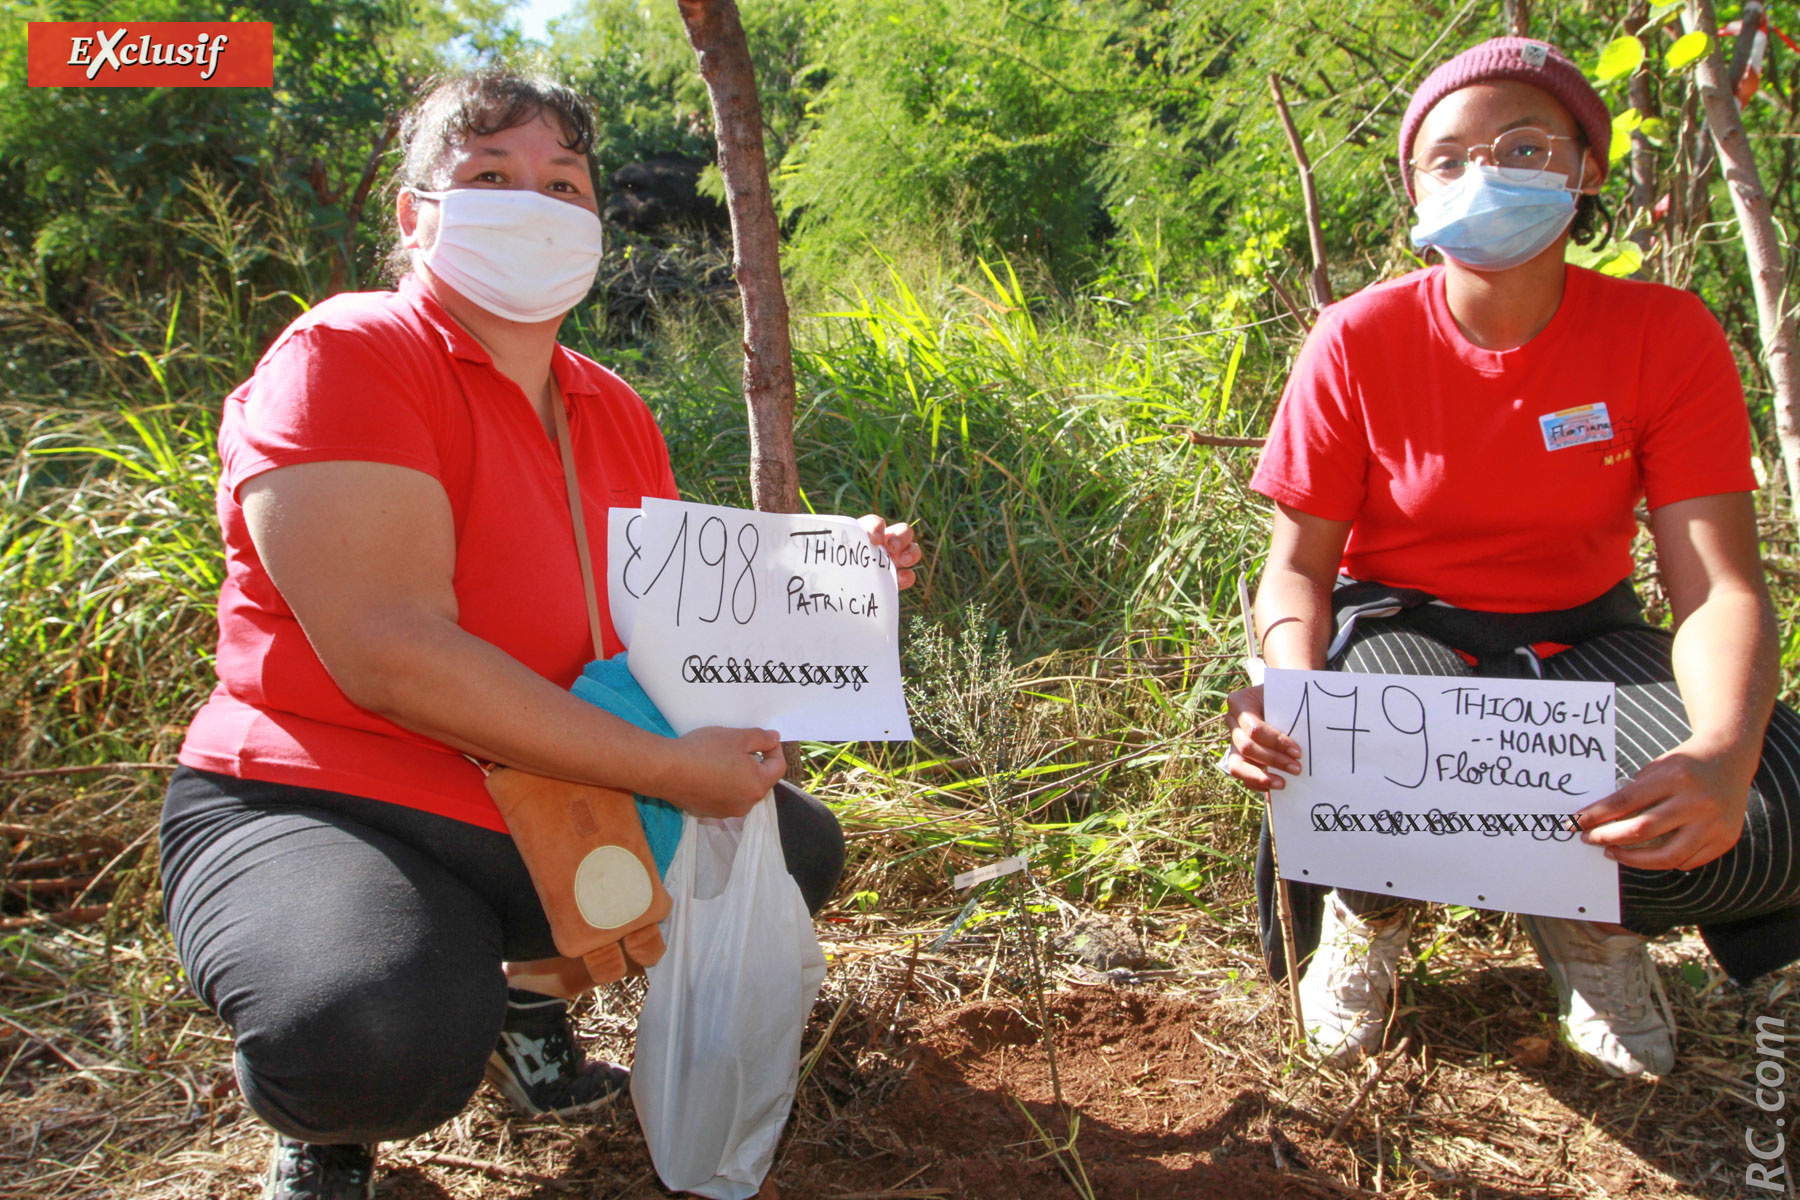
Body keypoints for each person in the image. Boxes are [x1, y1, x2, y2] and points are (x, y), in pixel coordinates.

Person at [159, 70, 923, 1199]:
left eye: (562, 181)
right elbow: (393, 652)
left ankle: (527, 1005)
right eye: (488, 177)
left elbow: (658, 629)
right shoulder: (348, 356)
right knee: (377, 1025)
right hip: (326, 796)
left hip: (529, 786)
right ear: (416, 217)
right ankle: (327, 1128)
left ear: (595, 222)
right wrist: (669, 770)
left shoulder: (611, 404)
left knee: (794, 847)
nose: (533, 203)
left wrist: (821, 590)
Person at [1223, 37, 1800, 1079]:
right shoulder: (1357, 339)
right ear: (1413, 185)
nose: (1482, 173)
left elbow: (1716, 586)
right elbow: (1298, 571)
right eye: (1449, 156)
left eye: (1524, 146)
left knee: (1774, 814)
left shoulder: (1663, 335)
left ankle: (1589, 923)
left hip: (1584, 634)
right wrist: (1292, 692)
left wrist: (1721, 750)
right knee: (1349, 761)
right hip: (1406, 630)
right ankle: (1370, 909)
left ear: (1584, 169)